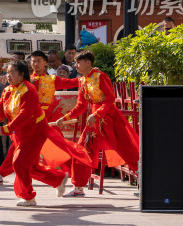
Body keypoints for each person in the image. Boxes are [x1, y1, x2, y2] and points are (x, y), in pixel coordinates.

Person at [0, 61, 91, 207]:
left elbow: (25, 115)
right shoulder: (8, 90)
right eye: (7, 73)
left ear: (21, 74)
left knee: (19, 163)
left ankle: (28, 197)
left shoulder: (29, 90)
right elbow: (0, 111)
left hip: (35, 131)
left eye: (11, 73)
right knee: (28, 166)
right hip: (20, 133)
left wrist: (6, 128)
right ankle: (57, 179)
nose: (8, 76)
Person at [56, 50, 139, 198]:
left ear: (88, 63)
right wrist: (65, 118)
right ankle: (78, 187)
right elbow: (81, 105)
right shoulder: (82, 81)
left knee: (127, 150)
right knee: (81, 151)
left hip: (110, 118)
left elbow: (110, 99)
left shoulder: (100, 76)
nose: (76, 66)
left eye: (78, 63)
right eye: (75, 63)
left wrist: (97, 114)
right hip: (94, 123)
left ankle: (147, 182)